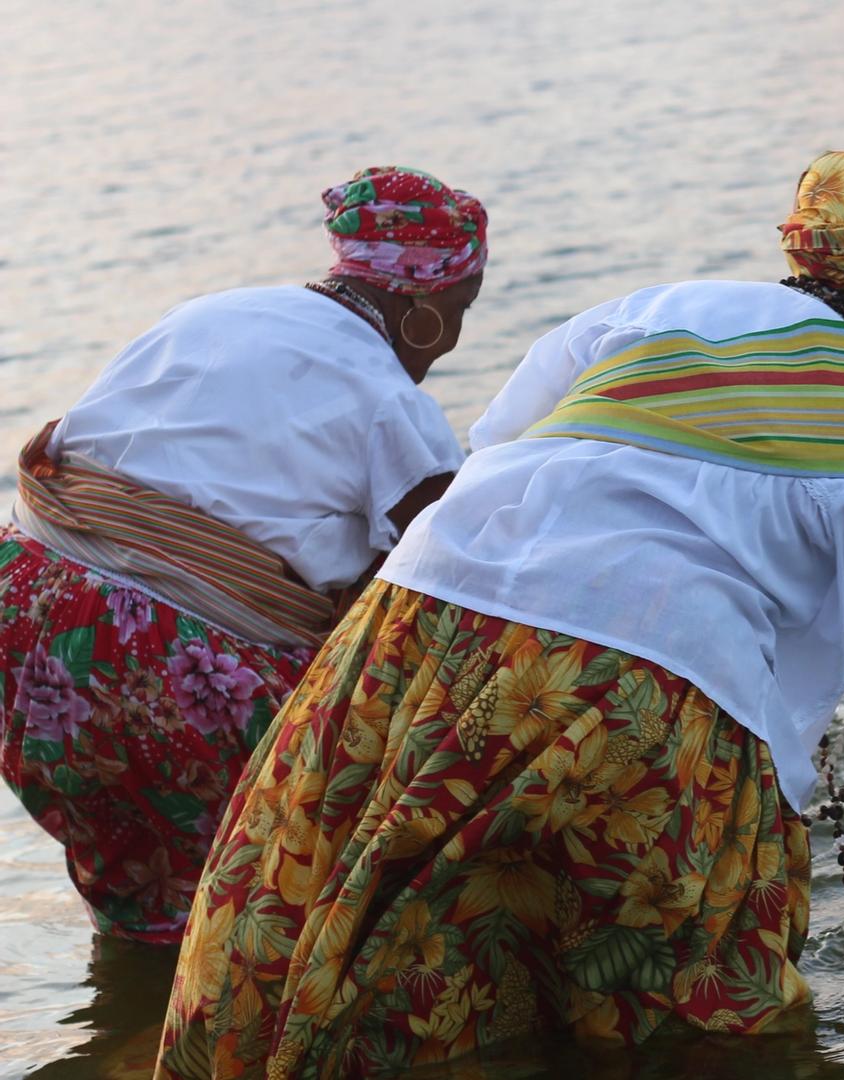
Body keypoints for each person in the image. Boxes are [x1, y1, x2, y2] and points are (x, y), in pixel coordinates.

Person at [155, 145, 844, 1076]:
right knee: (682, 1020)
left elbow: (496, 456)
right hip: (650, 697)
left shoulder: (653, 314)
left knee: (372, 925)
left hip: (421, 635)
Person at [0, 166, 486, 943]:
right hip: (163, 647)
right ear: (424, 307)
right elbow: (438, 590)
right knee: (280, 893)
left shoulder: (213, 312)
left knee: (140, 882)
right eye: (462, 310)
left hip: (28, 605)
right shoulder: (393, 402)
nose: (456, 337)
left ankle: (128, 1017)